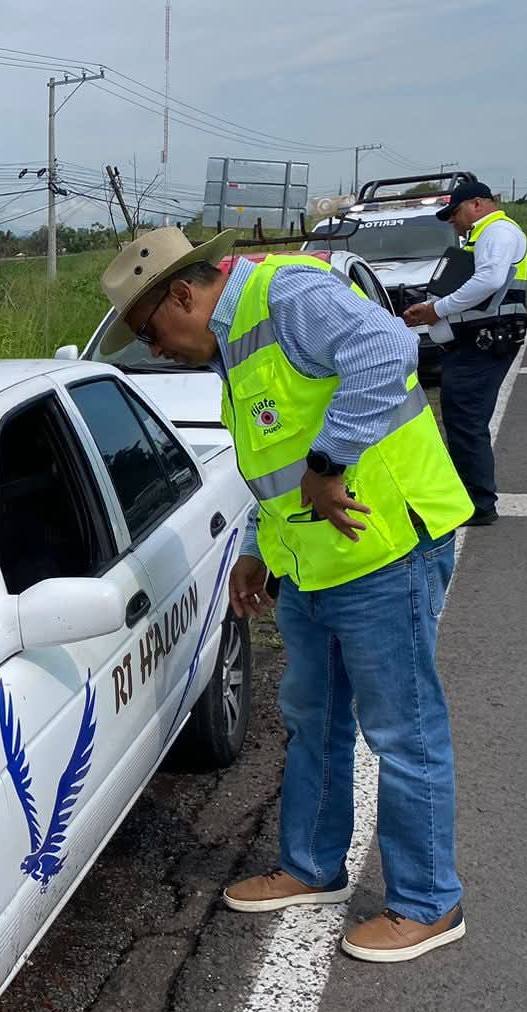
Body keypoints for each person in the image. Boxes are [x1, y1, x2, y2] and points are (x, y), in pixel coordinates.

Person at [99, 227, 474, 962]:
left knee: (403, 732)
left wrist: (332, 460)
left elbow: (388, 351)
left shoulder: (287, 294)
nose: (157, 350)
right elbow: (273, 465)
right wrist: (251, 552)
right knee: (314, 716)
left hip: (384, 549)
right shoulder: (232, 347)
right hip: (310, 564)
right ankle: (311, 867)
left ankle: (430, 902)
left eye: (151, 332)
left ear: (183, 292)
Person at [401, 181, 527, 526]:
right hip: (474, 342)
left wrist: (436, 310)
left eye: (455, 213)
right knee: (462, 420)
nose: (453, 223)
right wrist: (431, 310)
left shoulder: (497, 231)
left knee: (466, 422)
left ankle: (476, 504)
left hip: (484, 342)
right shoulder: (483, 235)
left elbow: (489, 281)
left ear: (476, 204)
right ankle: (469, 499)